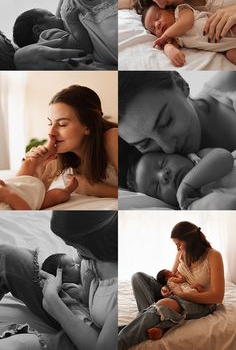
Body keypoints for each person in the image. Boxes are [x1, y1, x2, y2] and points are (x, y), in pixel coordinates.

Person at [0, 210, 118, 350]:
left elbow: (99, 347)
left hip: (87, 332)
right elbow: (72, 264)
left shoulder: (122, 289)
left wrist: (53, 301)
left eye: (75, 245)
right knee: (7, 256)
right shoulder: (94, 252)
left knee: (15, 345)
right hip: (63, 302)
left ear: (94, 241)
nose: (75, 251)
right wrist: (55, 277)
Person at [118, 221, 224, 349]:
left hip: (201, 301)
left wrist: (181, 295)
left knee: (165, 304)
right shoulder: (181, 253)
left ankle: (119, 342)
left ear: (190, 241)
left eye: (179, 244)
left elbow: (217, 297)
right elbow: (171, 277)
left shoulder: (213, 255)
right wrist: (165, 288)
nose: (177, 248)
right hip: (178, 292)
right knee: (138, 277)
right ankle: (153, 321)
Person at [27, 84, 118, 199]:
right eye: (50, 123)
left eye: (62, 124)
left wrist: (94, 189)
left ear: (88, 127)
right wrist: (35, 168)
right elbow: (32, 199)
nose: (51, 132)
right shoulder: (56, 154)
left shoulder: (112, 138)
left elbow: (139, 193)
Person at [119, 71, 236, 158]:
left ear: (181, 84)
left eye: (167, 122)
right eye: (144, 144)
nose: (168, 148)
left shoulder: (230, 82)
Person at [126, 147, 236, 209]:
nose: (163, 176)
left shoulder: (199, 158)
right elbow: (227, 205)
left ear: (177, 154)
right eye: (157, 187)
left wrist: (187, 184)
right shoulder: (190, 206)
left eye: (163, 163)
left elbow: (226, 157)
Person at [141, 2, 236, 67]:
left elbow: (187, 22)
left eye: (158, 17)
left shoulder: (181, 11)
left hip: (226, 25)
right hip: (227, 47)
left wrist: (165, 35)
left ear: (170, 10)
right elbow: (169, 46)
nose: (157, 24)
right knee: (231, 56)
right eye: (153, 28)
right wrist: (170, 50)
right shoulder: (175, 38)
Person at [0, 137, 78, 210]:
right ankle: (68, 189)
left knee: (28, 163)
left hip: (16, 185)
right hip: (33, 200)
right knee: (59, 194)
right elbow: (26, 212)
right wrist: (7, 195)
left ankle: (49, 149)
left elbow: (2, 183)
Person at [13, 6, 93, 55]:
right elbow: (84, 46)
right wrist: (73, 22)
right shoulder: (49, 36)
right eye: (51, 15)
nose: (59, 17)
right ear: (38, 29)